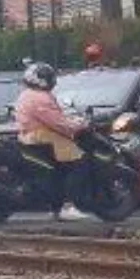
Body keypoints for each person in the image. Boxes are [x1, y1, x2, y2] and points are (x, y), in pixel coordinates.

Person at [14, 63, 90, 221]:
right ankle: (68, 206)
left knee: (59, 169)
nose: (53, 81)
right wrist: (78, 126)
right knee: (79, 162)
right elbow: (57, 122)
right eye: (49, 77)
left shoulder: (26, 94)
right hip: (44, 137)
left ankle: (57, 207)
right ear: (41, 80)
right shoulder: (40, 98)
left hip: (30, 137)